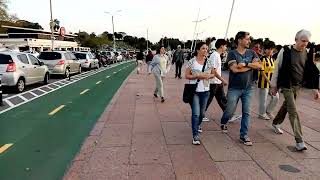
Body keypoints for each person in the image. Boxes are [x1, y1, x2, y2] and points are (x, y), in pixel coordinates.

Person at [270, 29, 320, 151]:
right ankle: (300, 141)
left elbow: (310, 72)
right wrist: (273, 85)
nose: (305, 44)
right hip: (287, 85)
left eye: (307, 41)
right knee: (293, 111)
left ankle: (276, 122)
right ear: (296, 39)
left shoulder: (307, 52)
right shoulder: (286, 51)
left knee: (287, 106)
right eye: (303, 41)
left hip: (298, 85)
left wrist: (315, 89)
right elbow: (277, 67)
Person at [220, 31, 262, 146]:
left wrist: (246, 64)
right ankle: (224, 122)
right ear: (239, 40)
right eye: (247, 39)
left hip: (249, 88)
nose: (249, 41)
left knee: (246, 112)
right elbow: (235, 69)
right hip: (234, 88)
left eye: (249, 39)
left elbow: (259, 66)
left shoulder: (252, 52)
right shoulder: (232, 54)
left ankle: (244, 135)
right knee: (229, 111)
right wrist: (251, 66)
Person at [202, 39, 241, 122]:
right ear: (221, 46)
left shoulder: (217, 55)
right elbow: (213, 71)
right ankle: (200, 115)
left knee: (223, 100)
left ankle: (229, 115)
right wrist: (223, 80)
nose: (226, 48)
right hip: (213, 82)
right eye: (225, 46)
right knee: (208, 99)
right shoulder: (215, 55)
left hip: (217, 82)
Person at [185, 42, 216, 145]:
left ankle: (197, 125)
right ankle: (195, 135)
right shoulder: (192, 61)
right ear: (198, 50)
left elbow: (213, 74)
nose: (205, 50)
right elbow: (187, 76)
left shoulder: (209, 62)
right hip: (194, 91)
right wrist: (198, 76)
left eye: (207, 49)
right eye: (203, 48)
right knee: (196, 114)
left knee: (202, 114)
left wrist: (208, 76)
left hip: (206, 91)